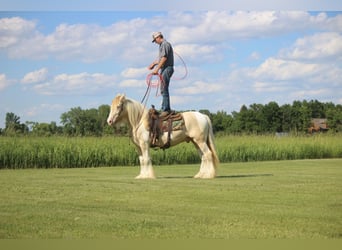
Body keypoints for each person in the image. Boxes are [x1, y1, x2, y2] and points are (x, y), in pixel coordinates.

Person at [148, 32, 174, 116]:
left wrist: (157, 69)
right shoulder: (162, 45)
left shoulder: (165, 44)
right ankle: (165, 108)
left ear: (159, 37)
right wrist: (154, 64)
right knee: (163, 88)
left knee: (164, 88)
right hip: (165, 68)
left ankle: (165, 109)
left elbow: (164, 58)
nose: (155, 42)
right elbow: (161, 58)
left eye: (155, 40)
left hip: (167, 68)